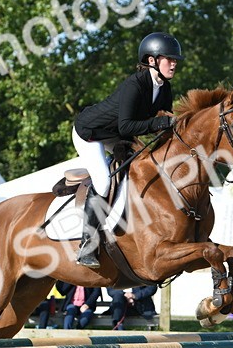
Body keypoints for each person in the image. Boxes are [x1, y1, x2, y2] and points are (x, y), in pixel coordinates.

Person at [71, 32, 182, 268]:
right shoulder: (135, 84)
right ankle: (86, 245)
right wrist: (160, 123)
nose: (173, 63)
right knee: (102, 183)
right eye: (168, 59)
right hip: (90, 133)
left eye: (175, 60)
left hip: (118, 134)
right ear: (152, 60)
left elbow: (163, 121)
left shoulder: (164, 88)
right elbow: (128, 125)